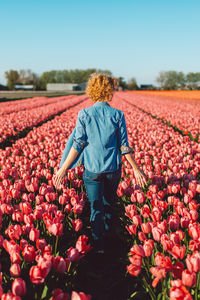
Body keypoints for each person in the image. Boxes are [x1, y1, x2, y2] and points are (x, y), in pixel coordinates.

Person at [54, 73, 147, 254]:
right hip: (113, 169)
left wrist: (63, 169)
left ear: (92, 90)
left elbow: (78, 144)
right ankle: (110, 241)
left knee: (96, 207)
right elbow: (124, 146)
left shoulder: (84, 114)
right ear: (109, 90)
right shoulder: (117, 115)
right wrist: (136, 169)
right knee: (109, 204)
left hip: (92, 170)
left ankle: (99, 247)